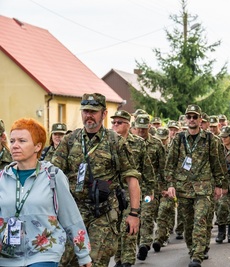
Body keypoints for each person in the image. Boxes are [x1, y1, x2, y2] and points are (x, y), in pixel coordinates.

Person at [51, 93, 141, 267]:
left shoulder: (115, 141)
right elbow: (52, 173)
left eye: (93, 111)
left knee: (95, 261)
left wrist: (134, 213)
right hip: (73, 212)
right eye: (85, 111)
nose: (88, 115)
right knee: (65, 261)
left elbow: (132, 178)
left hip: (103, 213)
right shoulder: (70, 140)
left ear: (104, 114)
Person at [0, 118, 92, 267]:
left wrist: (83, 255)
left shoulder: (52, 176)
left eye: (22, 141)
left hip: (44, 253)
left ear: (37, 146)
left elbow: (70, 216)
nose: (15, 146)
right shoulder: (2, 178)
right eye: (12, 141)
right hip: (7, 256)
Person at [165, 104, 227, 267]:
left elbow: (217, 163)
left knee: (200, 220)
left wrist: (220, 184)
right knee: (188, 223)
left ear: (200, 120)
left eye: (195, 117)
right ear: (186, 119)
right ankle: (193, 249)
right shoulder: (178, 139)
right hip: (183, 188)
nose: (192, 120)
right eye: (189, 117)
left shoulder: (211, 139)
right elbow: (169, 163)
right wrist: (170, 184)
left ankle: (197, 256)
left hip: (204, 188)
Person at [110, 110, 155, 267]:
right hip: (111, 194)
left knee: (128, 228)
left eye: (119, 122)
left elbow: (148, 171)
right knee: (115, 229)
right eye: (113, 122)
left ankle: (127, 261)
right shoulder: (105, 143)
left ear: (128, 125)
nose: (115, 125)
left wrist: (149, 194)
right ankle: (119, 259)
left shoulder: (138, 143)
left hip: (131, 194)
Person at [135, 114, 166, 261]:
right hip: (133, 189)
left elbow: (162, 167)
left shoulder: (156, 144)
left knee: (147, 214)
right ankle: (139, 242)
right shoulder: (129, 143)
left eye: (144, 128)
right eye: (139, 128)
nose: (141, 131)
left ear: (149, 127)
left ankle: (144, 244)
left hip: (150, 189)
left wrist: (164, 186)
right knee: (136, 216)